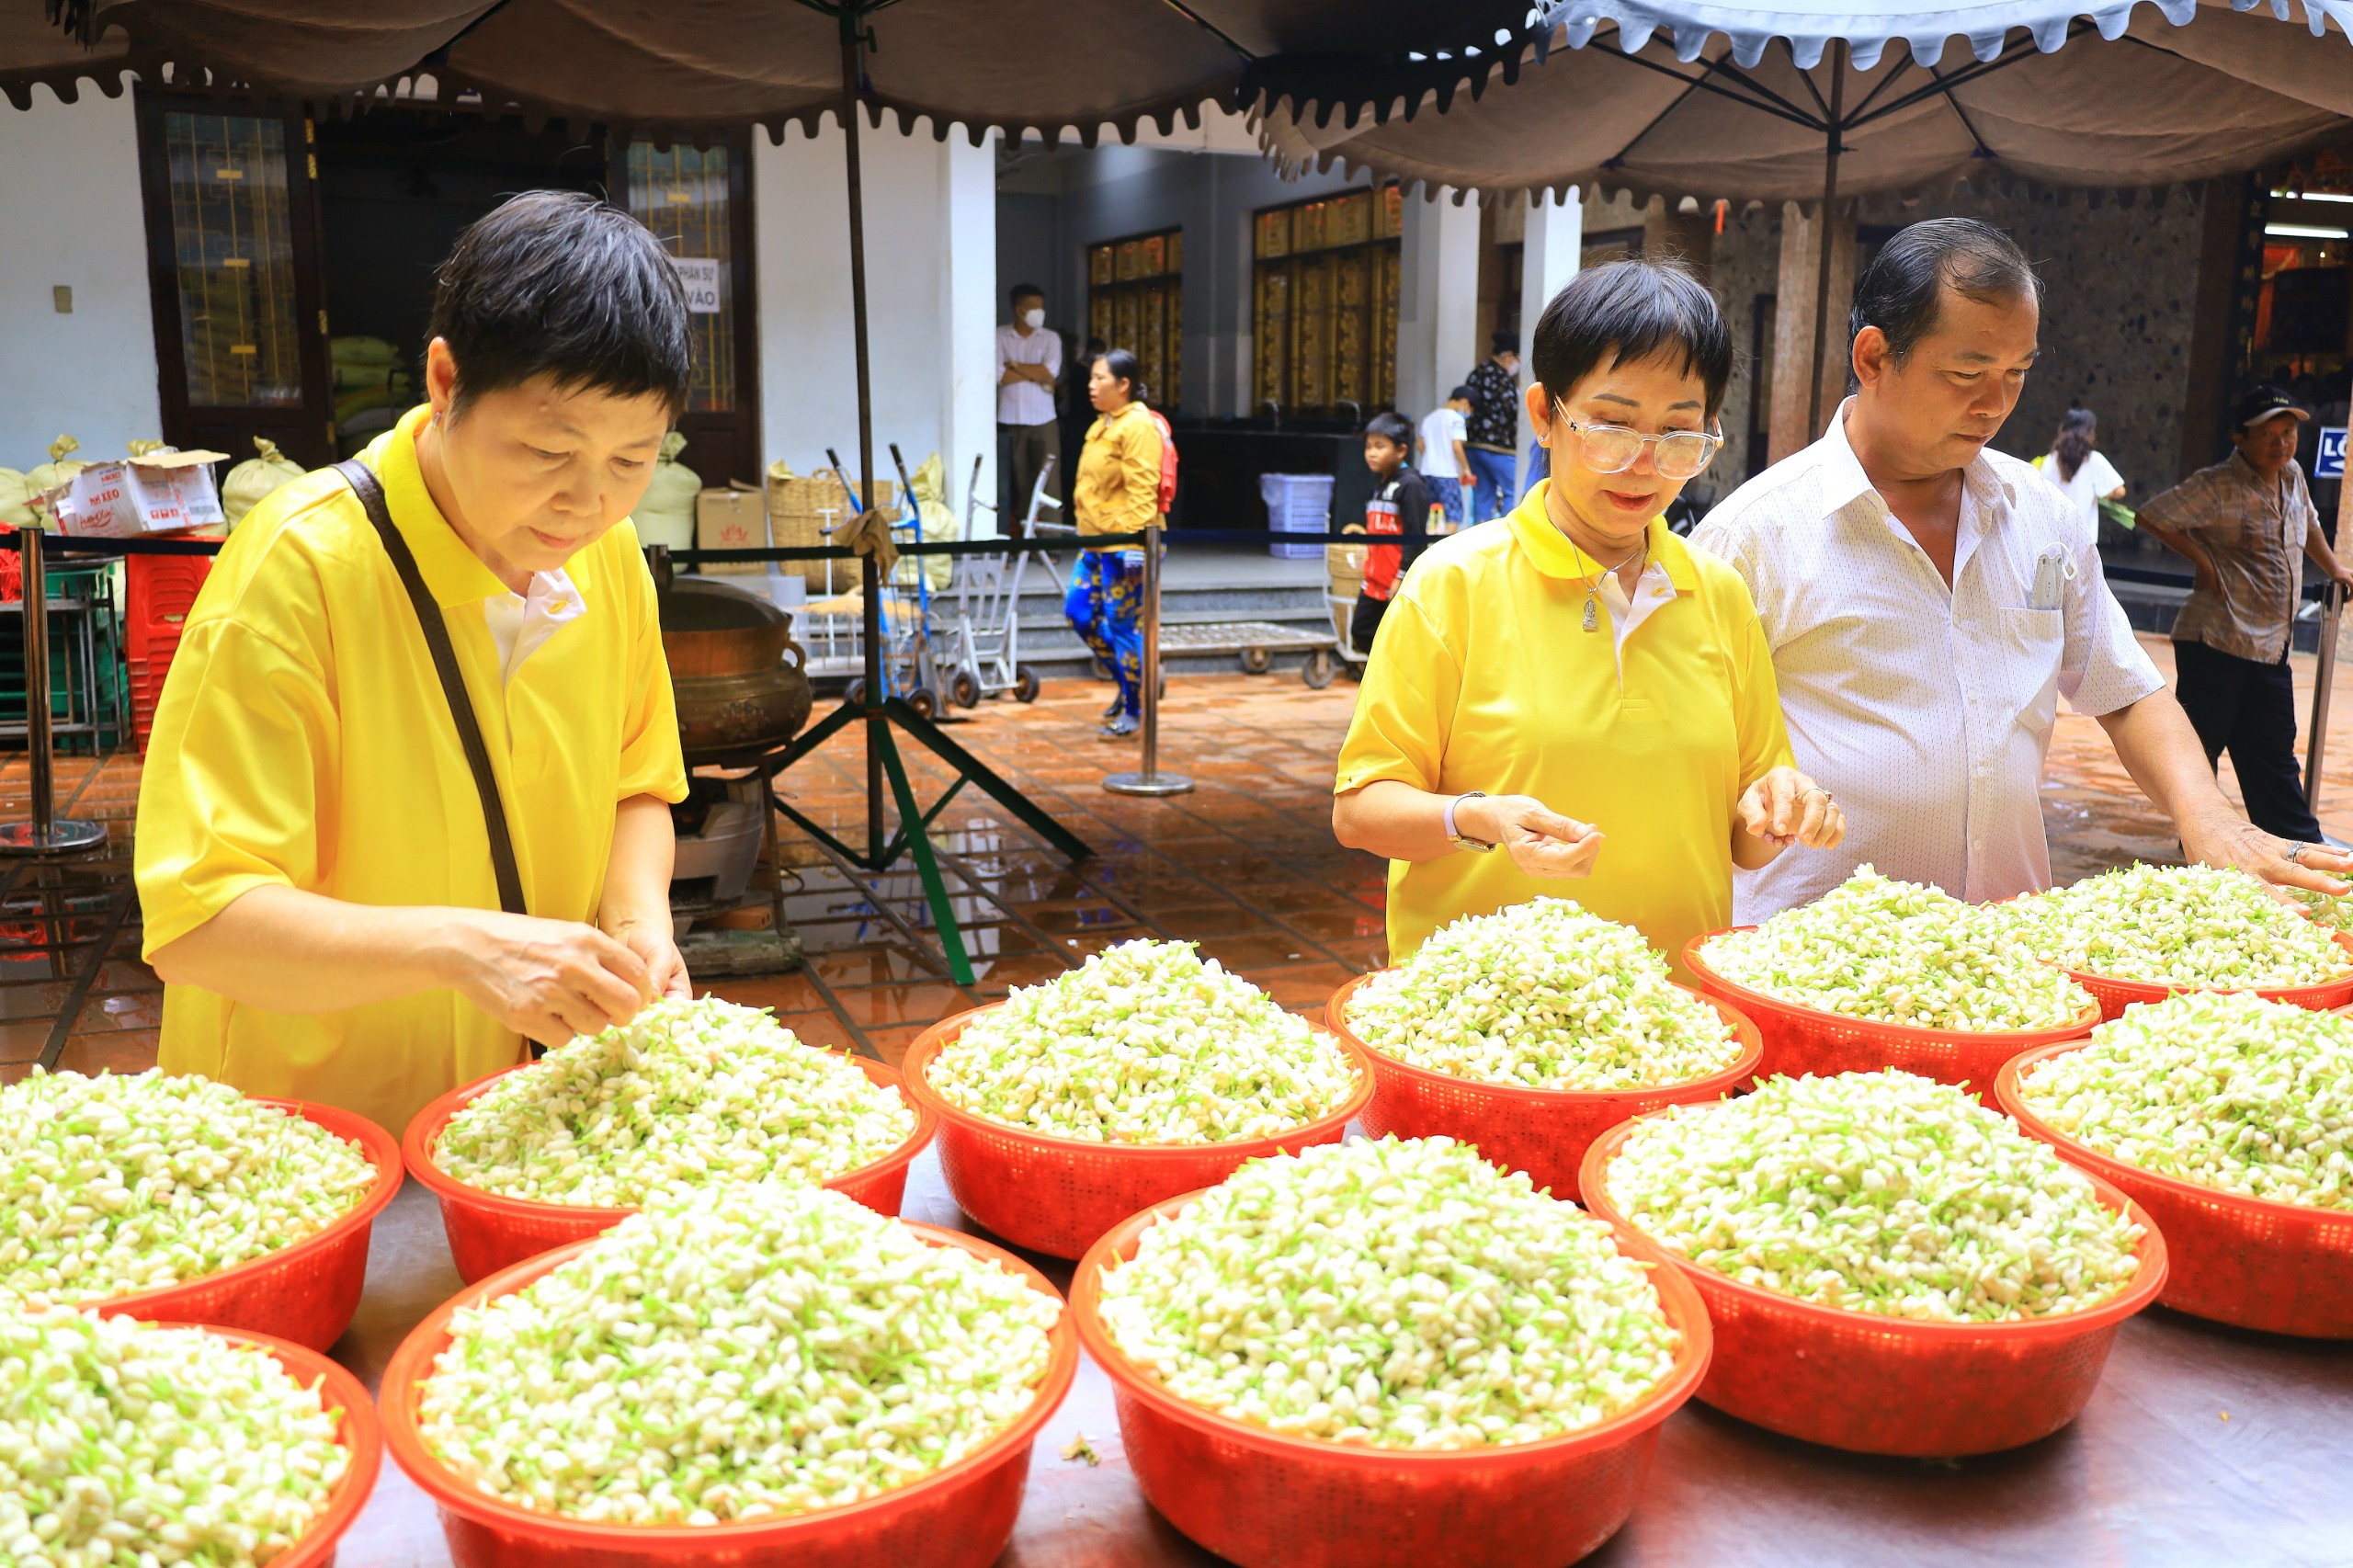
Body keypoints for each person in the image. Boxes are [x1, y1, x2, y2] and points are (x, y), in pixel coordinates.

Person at [134, 191, 693, 1134]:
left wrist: (638, 923)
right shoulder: (298, 569)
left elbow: (637, 787)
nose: (586, 500)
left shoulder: (607, 558)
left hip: (509, 1129)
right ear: (446, 378)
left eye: (633, 458)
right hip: (303, 1139)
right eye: (549, 448)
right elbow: (203, 922)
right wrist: (464, 947)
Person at [1691, 220, 2352, 922]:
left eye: (2017, 373)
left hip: (2007, 956)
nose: (1995, 403)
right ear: (1875, 356)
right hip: (1812, 957)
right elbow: (1690, 754)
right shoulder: (1754, 535)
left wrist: (2208, 816)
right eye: (1967, 373)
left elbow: (2124, 690)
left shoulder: (2042, 516)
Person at [1334, 260, 1845, 969]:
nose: (1644, 463)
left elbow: (1745, 838)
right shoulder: (1453, 584)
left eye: (1679, 434)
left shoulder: (1719, 595)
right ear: (1546, 415)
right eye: (1611, 425)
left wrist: (1785, 808)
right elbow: (1361, 811)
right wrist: (1475, 819)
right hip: (1485, 1018)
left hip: (1676, 1016)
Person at [2136, 385, 2353, 843]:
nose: (2281, 444)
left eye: (2288, 432)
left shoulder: (2292, 474)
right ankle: (2199, 848)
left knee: (2273, 756)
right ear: (2240, 437)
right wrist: (2204, 560)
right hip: (2216, 640)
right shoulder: (2219, 484)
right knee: (2200, 753)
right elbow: (2152, 516)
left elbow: (2309, 521)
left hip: (2271, 646)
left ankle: (2295, 846)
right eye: (2268, 434)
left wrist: (2334, 567)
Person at [1067, 347, 1165, 740]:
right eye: (1091, 378)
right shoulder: (1103, 423)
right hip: (1095, 540)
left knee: (1124, 626)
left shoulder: (1137, 427)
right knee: (1079, 614)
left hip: (1124, 544)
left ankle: (1135, 706)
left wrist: (1134, 545)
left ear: (1124, 385)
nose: (1091, 386)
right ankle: (1132, 683)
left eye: (1100, 379)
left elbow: (1145, 490)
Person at [1349, 411, 1431, 655]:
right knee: (1361, 631)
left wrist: (1401, 577)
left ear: (1401, 450)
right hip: (1373, 581)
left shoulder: (1411, 485)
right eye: (1368, 446)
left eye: (1380, 446)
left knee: (1394, 642)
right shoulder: (1380, 485)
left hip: (1395, 583)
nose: (1371, 453)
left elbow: (1415, 538)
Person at [997, 282, 1063, 522]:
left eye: (1041, 307)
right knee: (1019, 481)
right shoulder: (999, 336)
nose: (1040, 312)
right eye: (1034, 307)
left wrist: (1014, 365)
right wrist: (1035, 373)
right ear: (1019, 309)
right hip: (1009, 419)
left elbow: (1050, 373)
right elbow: (999, 376)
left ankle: (1050, 540)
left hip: (1044, 419)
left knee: (1050, 481)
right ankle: (1025, 539)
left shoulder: (1050, 339)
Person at [2036, 403, 2127, 535]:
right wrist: (2103, 494)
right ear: (2089, 433)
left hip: (2053, 538)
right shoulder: (2094, 460)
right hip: (2082, 541)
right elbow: (2120, 491)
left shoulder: (2050, 460)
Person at [1461, 331, 1521, 522]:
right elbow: (1511, 411)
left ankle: (1482, 539)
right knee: (1514, 492)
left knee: (1483, 497)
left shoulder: (1478, 372)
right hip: (1499, 447)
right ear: (1508, 355)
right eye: (1517, 358)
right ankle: (1510, 535)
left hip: (1473, 446)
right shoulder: (1503, 379)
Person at [1415, 386, 1474, 529]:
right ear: (1465, 402)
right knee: (1453, 514)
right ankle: (1446, 546)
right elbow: (1457, 446)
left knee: (1430, 513)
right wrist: (1466, 468)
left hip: (1427, 473)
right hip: (1447, 475)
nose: (1468, 412)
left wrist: (1431, 458)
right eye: (1470, 408)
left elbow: (1420, 443)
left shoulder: (1430, 418)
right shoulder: (1456, 419)